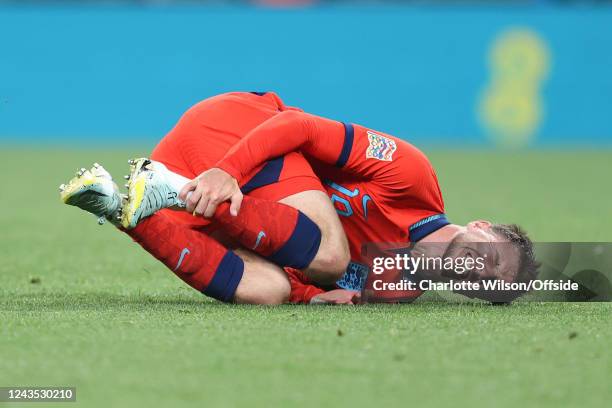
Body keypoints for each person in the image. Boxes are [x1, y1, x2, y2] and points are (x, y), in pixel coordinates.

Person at [60, 91, 538, 305]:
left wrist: (311, 299)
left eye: (489, 282)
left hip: (205, 194)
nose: (484, 268)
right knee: (329, 255)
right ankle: (168, 192)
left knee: (271, 291)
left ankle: (123, 208)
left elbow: (301, 278)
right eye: (498, 257)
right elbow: (299, 126)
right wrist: (228, 170)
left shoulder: (398, 288)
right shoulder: (411, 176)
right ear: (482, 226)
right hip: (233, 137)